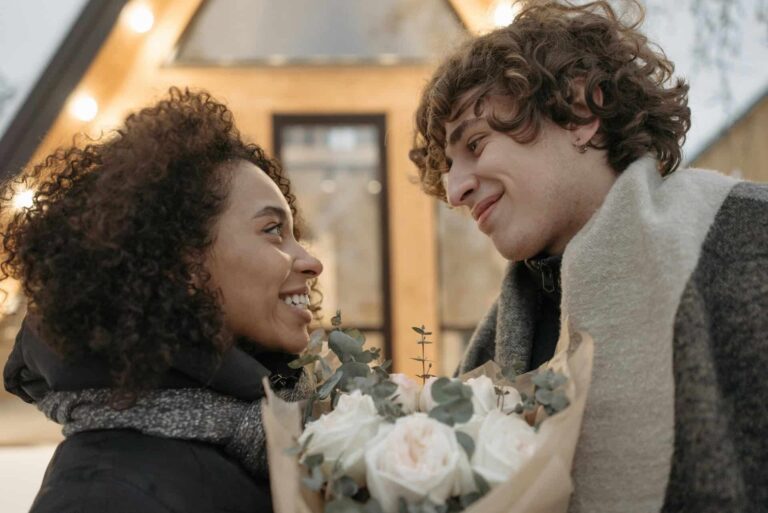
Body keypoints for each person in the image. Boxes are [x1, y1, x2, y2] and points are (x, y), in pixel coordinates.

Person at [409, 1, 767, 512]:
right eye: (448, 167)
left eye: (476, 144)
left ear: (581, 111)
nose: (455, 190)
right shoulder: (488, 348)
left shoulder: (751, 238)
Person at [1, 87, 323, 513]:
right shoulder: (102, 495)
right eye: (272, 231)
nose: (311, 262)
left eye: (295, 234)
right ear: (184, 264)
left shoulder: (271, 434)